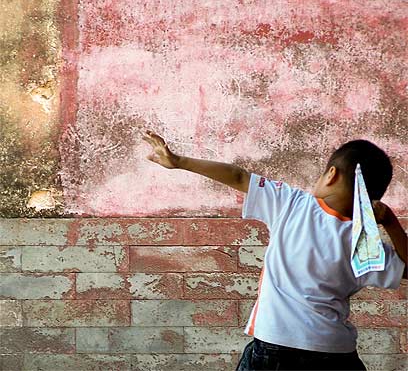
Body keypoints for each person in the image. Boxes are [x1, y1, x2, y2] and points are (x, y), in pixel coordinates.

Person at [143, 131, 407, 371]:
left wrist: (179, 161)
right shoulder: (364, 243)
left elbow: (239, 176)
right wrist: (391, 223)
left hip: (276, 344)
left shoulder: (292, 204)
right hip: (335, 351)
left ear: (331, 175)